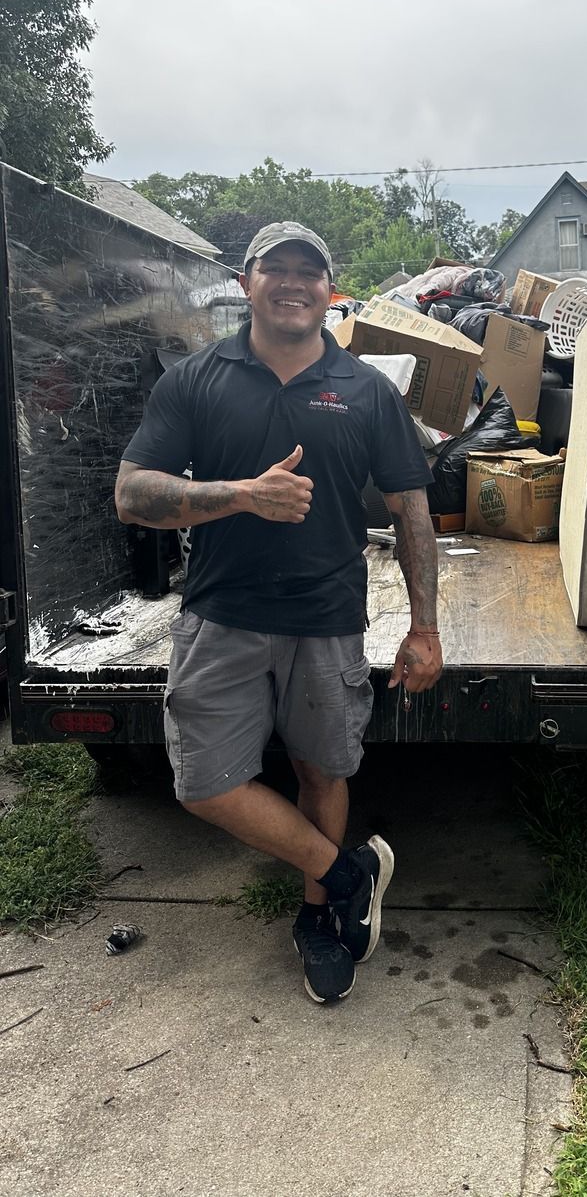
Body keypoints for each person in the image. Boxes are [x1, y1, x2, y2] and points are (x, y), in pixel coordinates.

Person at [115, 221, 442, 1005]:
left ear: (331, 290)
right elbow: (132, 493)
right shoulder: (195, 379)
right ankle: (347, 870)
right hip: (221, 613)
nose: (293, 283)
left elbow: (413, 512)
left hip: (327, 616)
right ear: (245, 281)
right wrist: (238, 495)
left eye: (310, 271)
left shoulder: (366, 390)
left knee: (320, 770)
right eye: (276, 269)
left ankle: (320, 916)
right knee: (202, 782)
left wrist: (426, 628)